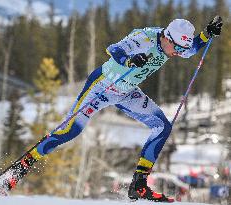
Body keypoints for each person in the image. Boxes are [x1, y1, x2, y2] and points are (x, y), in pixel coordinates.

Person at [28, 16, 222, 202]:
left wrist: (207, 34)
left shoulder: (173, 45)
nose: (179, 53)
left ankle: (138, 185)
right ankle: (24, 163)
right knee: (71, 130)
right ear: (167, 37)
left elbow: (192, 48)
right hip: (102, 86)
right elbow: (114, 49)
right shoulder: (144, 38)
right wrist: (129, 61)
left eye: (182, 49)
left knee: (163, 126)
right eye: (178, 48)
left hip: (126, 92)